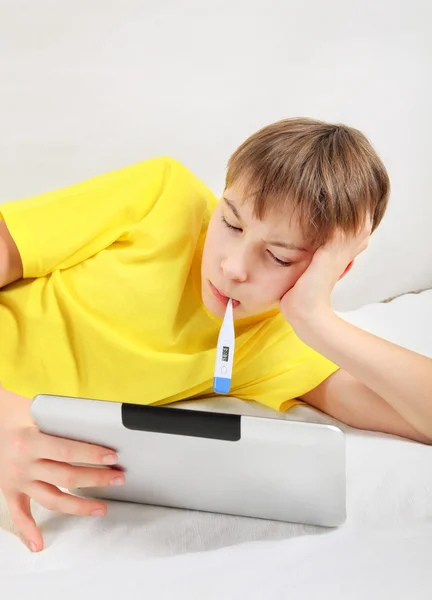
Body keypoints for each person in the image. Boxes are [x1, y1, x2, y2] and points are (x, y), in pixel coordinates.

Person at [0, 118, 431, 553]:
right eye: (231, 223)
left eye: (279, 257)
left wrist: (318, 320)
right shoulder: (161, 197)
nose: (233, 267)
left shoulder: (275, 345)